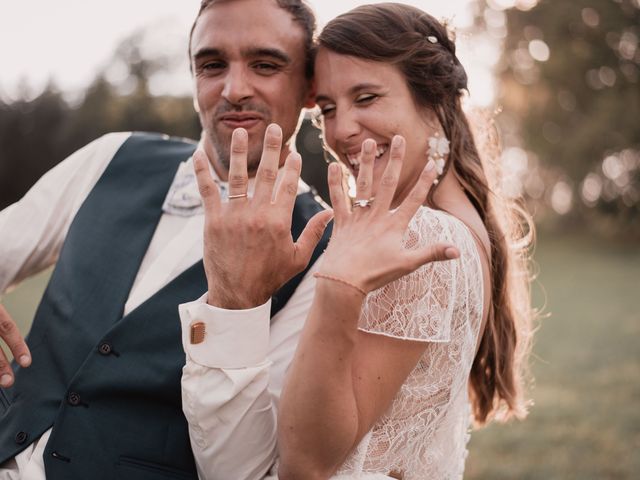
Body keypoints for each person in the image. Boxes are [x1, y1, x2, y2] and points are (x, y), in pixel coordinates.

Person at [187, 3, 535, 480]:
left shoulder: (418, 235)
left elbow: (303, 466)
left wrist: (335, 284)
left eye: (366, 98)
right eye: (328, 108)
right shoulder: (467, 226)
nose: (341, 129)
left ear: (432, 102)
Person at [0, 0, 333, 479]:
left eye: (265, 65)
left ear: (308, 87)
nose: (234, 89)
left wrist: (235, 307)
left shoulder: (321, 248)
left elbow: (240, 469)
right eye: (212, 65)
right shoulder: (111, 156)